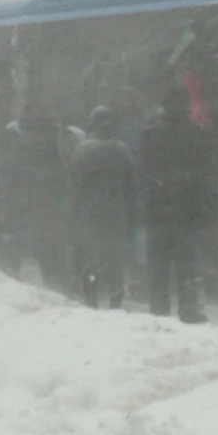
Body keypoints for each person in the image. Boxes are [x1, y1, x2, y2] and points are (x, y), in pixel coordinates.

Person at [139, 84, 218, 325]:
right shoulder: (199, 135)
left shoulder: (149, 135)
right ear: (187, 108)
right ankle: (189, 311)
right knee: (187, 265)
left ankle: (159, 310)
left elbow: (143, 172)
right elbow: (207, 175)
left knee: (158, 267)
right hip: (188, 214)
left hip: (157, 212)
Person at [0, 107, 71, 292]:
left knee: (18, 252)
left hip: (24, 206)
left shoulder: (21, 145)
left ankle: (13, 290)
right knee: (50, 254)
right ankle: (57, 292)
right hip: (50, 207)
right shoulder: (54, 145)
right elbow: (62, 176)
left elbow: (8, 175)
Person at [69, 105, 138, 309]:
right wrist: (132, 215)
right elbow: (131, 186)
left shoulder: (81, 149)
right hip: (115, 213)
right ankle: (115, 299)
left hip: (88, 213)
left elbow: (73, 185)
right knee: (114, 258)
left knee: (90, 256)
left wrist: (72, 214)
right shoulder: (122, 149)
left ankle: (91, 298)